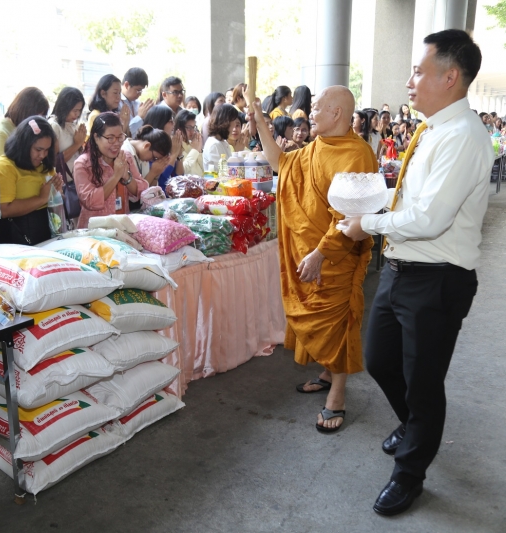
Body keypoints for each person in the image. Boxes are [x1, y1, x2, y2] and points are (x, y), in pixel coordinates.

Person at [339, 29, 490, 517]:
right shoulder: (430, 130)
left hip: (437, 278)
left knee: (423, 382)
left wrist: (367, 224)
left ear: (450, 77)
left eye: (418, 71)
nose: (409, 81)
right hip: (403, 270)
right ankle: (416, 427)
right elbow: (413, 201)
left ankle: (410, 473)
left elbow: (430, 219)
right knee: (380, 359)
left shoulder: (464, 136)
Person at [253, 86, 376, 437]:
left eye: (318, 108)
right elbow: (281, 164)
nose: (310, 114)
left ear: (336, 113)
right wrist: (261, 123)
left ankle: (337, 395)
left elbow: (351, 217)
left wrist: (321, 254)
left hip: (335, 257)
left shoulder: (358, 155)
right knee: (317, 321)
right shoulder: (315, 148)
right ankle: (326, 374)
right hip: (307, 253)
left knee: (336, 324)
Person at [0, 116, 62, 245]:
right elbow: (4, 210)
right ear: (23, 144)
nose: (42, 155)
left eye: (47, 150)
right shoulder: (5, 167)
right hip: (16, 241)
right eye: (38, 149)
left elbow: (55, 199)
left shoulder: (44, 165)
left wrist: (57, 192)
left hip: (46, 237)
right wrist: (41, 198)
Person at [74, 112, 148, 229]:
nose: (117, 143)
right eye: (110, 138)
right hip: (95, 233)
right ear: (96, 137)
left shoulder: (125, 157)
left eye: (120, 137)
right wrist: (116, 176)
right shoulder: (83, 164)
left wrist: (127, 178)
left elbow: (142, 191)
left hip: (123, 228)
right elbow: (90, 201)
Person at [0, 87, 49, 161]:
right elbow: (3, 168)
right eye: (35, 116)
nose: (37, 122)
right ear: (25, 111)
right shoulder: (1, 133)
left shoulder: (23, 129)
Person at [49, 87, 87, 176]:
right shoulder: (54, 126)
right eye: (75, 110)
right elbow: (54, 162)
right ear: (64, 107)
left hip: (77, 179)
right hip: (64, 184)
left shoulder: (72, 124)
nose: (77, 114)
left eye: (79, 110)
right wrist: (77, 144)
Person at [144, 105, 184, 189]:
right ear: (159, 123)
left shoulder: (168, 144)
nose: (173, 124)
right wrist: (173, 155)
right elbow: (161, 180)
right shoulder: (148, 147)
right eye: (170, 121)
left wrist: (179, 155)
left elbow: (178, 178)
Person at [203, 103, 242, 169]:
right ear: (226, 121)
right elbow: (222, 172)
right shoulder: (214, 144)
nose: (235, 124)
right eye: (233, 120)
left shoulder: (222, 141)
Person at [119, 67, 153, 138]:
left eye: (141, 91)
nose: (140, 94)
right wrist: (139, 117)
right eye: (138, 90)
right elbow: (123, 131)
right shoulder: (117, 103)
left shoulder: (137, 103)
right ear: (126, 85)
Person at [174, 109, 204, 175]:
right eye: (189, 128)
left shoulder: (192, 144)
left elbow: (204, 168)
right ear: (179, 128)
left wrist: (199, 150)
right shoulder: (175, 146)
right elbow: (182, 171)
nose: (192, 131)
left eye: (193, 127)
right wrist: (195, 150)